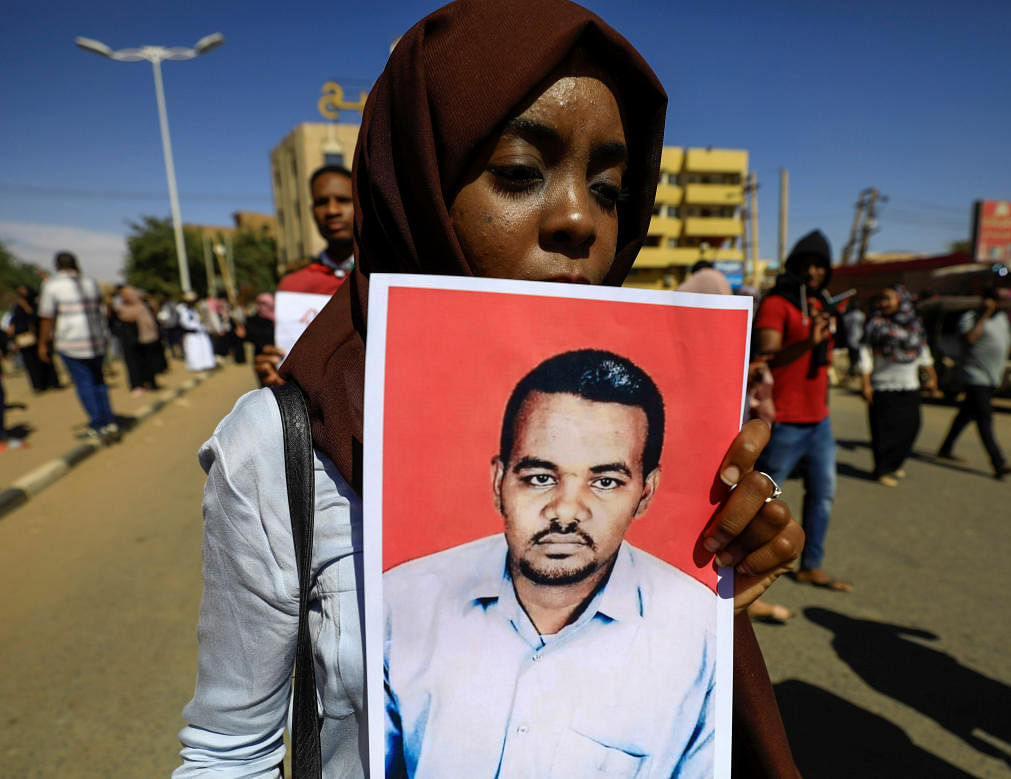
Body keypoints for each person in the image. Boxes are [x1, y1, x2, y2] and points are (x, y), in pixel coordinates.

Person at [175, 3, 804, 777]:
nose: (579, 218)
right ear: (417, 180)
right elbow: (227, 750)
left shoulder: (650, 429)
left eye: (609, 189)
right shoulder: (281, 448)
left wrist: (709, 588)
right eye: (517, 172)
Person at [384, 349, 715, 776]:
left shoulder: (703, 634)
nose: (566, 511)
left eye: (605, 482)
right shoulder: (400, 602)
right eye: (540, 477)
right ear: (499, 482)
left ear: (646, 494)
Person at [753, 230, 849, 592]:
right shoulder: (778, 303)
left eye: (820, 266)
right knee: (763, 498)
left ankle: (811, 564)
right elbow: (766, 355)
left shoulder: (823, 303)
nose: (813, 273)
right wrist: (806, 344)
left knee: (823, 495)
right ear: (795, 266)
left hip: (818, 419)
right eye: (807, 265)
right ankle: (745, 569)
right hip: (786, 420)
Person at [255, 164, 356, 386]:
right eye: (321, 202)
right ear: (312, 211)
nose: (332, 210)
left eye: (343, 200)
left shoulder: (384, 276)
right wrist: (271, 375)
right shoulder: (293, 284)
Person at [936, 288, 1011, 477]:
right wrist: (986, 314)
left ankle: (946, 448)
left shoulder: (1002, 320)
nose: (1003, 304)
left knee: (965, 414)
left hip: (992, 377)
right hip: (974, 376)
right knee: (984, 418)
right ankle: (998, 463)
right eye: (999, 300)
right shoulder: (971, 317)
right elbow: (970, 338)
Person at [859, 285, 936, 486]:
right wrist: (866, 383)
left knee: (912, 427)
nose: (883, 303)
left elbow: (923, 351)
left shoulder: (914, 324)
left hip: (909, 384)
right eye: (881, 299)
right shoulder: (875, 324)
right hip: (882, 385)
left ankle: (895, 464)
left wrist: (932, 376)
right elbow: (865, 353)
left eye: (888, 298)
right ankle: (882, 470)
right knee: (883, 432)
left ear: (901, 300)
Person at [37, 252, 118, 443]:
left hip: (71, 343)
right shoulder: (90, 282)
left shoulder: (52, 285)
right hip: (97, 341)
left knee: (85, 383)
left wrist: (42, 344)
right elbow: (102, 311)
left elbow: (46, 318)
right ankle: (109, 422)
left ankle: (98, 424)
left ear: (57, 265)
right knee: (99, 382)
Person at [7, 284, 61, 393]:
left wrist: (26, 308)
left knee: (44, 359)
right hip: (24, 340)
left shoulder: (36, 305)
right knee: (30, 363)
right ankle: (38, 385)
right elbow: (13, 322)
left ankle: (52, 382)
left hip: (38, 337)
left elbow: (38, 318)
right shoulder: (17, 308)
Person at [111, 285, 162, 395]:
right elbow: (113, 323)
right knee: (132, 364)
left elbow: (150, 323)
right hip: (128, 340)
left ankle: (150, 382)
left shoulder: (142, 307)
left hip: (144, 339)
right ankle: (137, 385)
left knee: (147, 362)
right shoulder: (119, 309)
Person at [178, 292, 216, 372]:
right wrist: (193, 328)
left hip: (200, 333)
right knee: (194, 351)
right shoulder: (183, 310)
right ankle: (196, 366)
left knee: (204, 348)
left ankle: (206, 364)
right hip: (192, 335)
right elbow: (184, 323)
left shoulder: (193, 310)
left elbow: (197, 319)